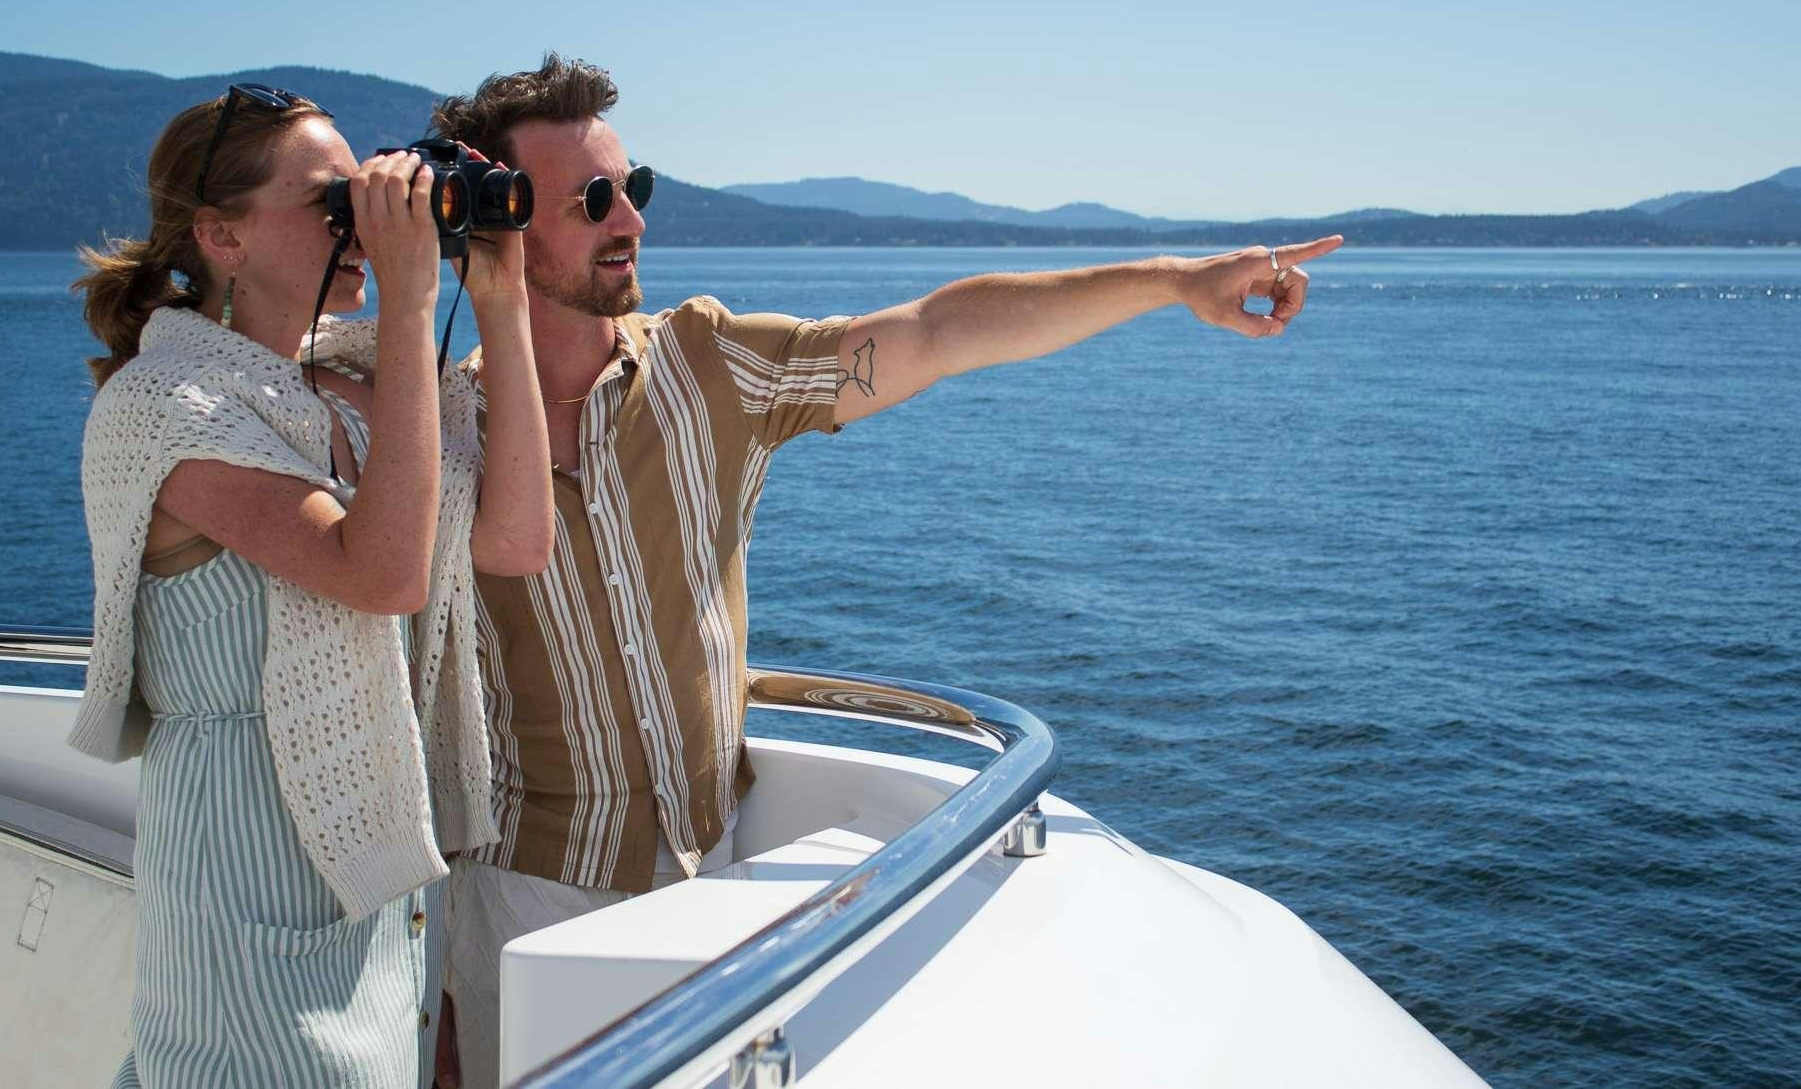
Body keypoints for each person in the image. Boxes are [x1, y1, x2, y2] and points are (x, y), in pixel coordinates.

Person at [425, 53, 1343, 1088]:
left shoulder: (708, 365)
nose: (631, 221)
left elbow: (937, 331)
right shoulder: (432, 424)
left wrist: (1174, 282)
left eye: (631, 189)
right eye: (593, 201)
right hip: (527, 898)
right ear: (494, 224)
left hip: (712, 877)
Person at [70, 83, 555, 1087]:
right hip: (248, 871)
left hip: (376, 859)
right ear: (221, 236)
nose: (366, 224)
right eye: (336, 204)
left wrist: (501, 306)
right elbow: (377, 576)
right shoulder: (161, 405)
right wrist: (417, 295)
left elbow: (514, 538)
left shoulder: (357, 380)